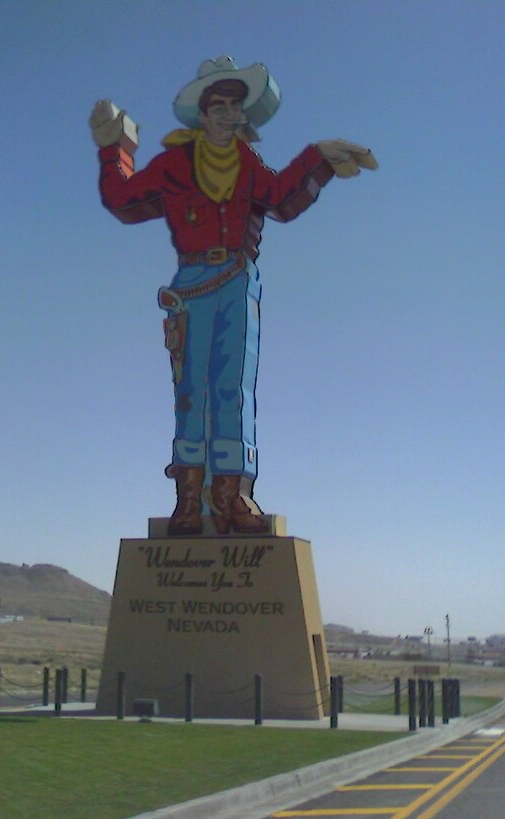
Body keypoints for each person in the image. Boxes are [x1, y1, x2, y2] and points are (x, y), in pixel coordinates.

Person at [91, 56, 376, 537]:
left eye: (234, 106)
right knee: (191, 392)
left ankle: (232, 495)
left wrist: (319, 157)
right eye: (218, 106)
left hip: (238, 280)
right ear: (203, 114)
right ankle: (188, 500)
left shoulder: (246, 164)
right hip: (192, 283)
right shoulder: (175, 164)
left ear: (243, 114)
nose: (227, 114)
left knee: (232, 389)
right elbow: (123, 199)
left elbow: (281, 197)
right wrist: (114, 147)